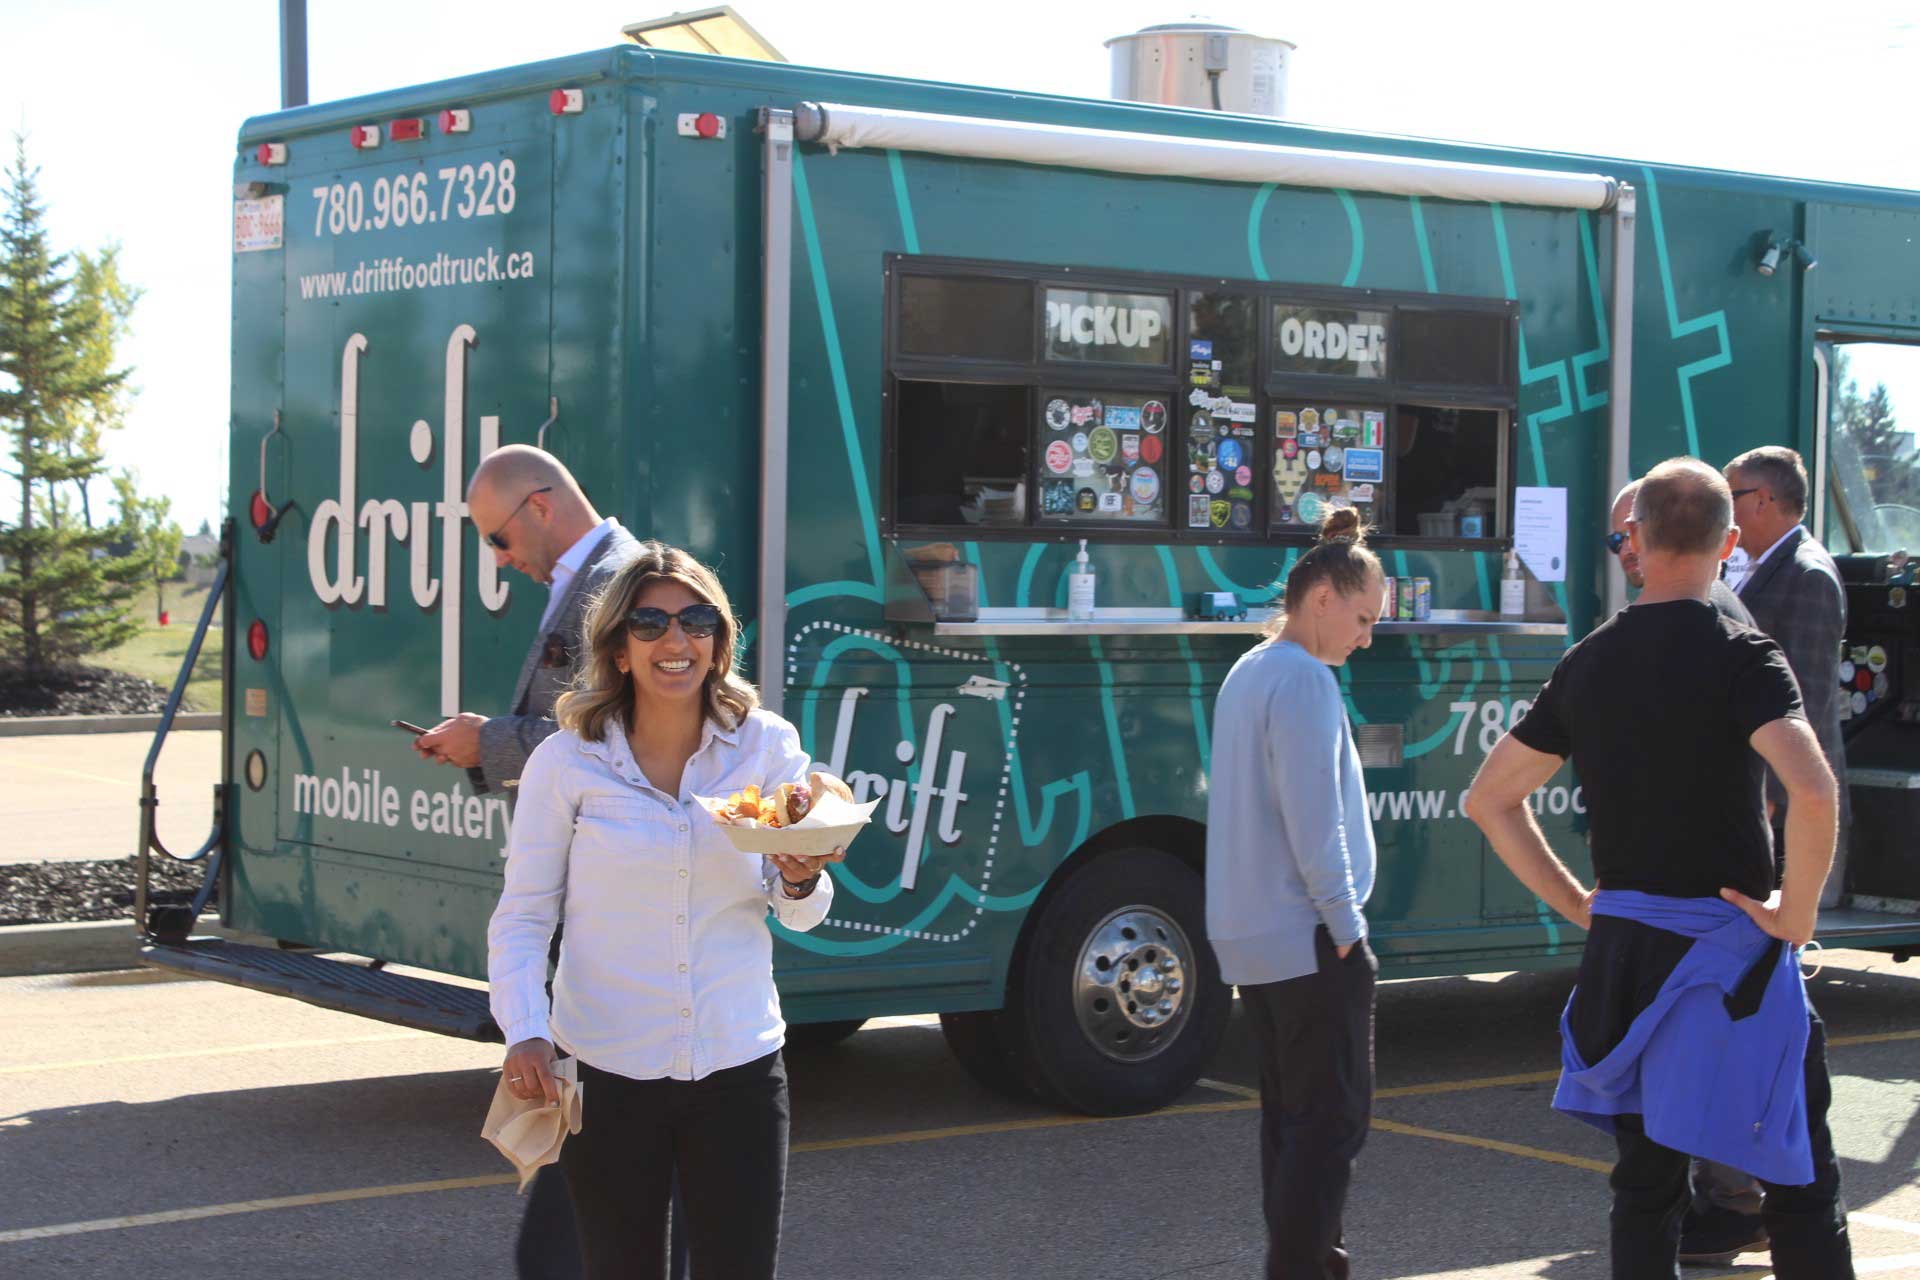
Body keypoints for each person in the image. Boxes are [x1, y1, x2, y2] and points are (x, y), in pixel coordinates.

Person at [1465, 458, 1854, 1280]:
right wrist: (1798, 914)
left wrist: (1578, 904)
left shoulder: (1589, 661)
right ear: (1731, 541)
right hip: (1730, 964)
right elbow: (1813, 793)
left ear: (1634, 538)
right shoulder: (1744, 654)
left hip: (1629, 959)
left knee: (1645, 1190)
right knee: (1799, 1181)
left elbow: (1490, 800)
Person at [489, 542, 844, 1280]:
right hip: (608, 1070)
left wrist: (803, 877)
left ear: (719, 642)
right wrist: (524, 1031)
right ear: (618, 648)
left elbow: (799, 913)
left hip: (739, 1070)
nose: (675, 641)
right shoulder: (567, 762)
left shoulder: (768, 749)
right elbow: (523, 917)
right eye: (649, 623)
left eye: (697, 621)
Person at [414, 444, 639, 1280]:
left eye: (497, 539)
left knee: (600, 1129)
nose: (499, 560)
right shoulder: (584, 585)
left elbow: (627, 743)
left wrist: (492, 742)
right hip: (580, 898)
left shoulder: (622, 583)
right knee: (597, 1127)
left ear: (540, 506)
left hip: (610, 906)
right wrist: (485, 745)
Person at [1205, 505, 1383, 1280]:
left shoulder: (1251, 668)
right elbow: (1314, 817)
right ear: (1322, 598)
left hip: (1256, 935)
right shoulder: (1305, 680)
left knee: (1290, 1121)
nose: (1367, 636)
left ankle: (1306, 1261)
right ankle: (1306, 1267)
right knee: (1330, 1125)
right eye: (1364, 616)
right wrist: (1346, 923)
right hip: (1310, 933)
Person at [1614, 477, 1762, 1263]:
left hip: (1705, 911)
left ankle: (1736, 1202)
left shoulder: (1716, 630)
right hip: (1682, 908)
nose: (1623, 558)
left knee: (1704, 1078)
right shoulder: (1650, 632)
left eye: (1624, 541)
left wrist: (1795, 907)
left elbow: (1799, 781)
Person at [1726, 446, 1849, 911]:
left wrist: (1771, 803)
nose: (1724, 509)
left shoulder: (1807, 574)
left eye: (1730, 495)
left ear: (1761, 500)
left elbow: (1807, 703)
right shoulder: (1761, 567)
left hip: (1783, 809)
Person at [1610, 478, 1751, 625]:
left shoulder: (1706, 606)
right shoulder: (1674, 604)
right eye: (1617, 539)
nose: (1627, 549)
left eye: (1635, 532)